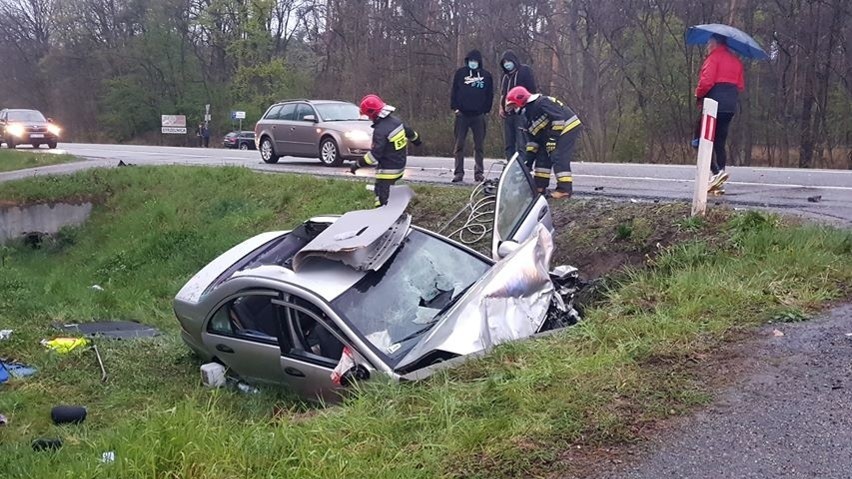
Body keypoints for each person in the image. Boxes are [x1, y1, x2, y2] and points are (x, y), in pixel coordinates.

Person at [505, 86, 581, 199]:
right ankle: (539, 187)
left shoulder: (541, 103)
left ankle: (564, 190)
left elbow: (558, 119)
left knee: (557, 155)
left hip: (567, 126)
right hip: (550, 134)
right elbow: (533, 141)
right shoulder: (527, 118)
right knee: (542, 157)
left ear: (521, 101)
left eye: (514, 105)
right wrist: (528, 161)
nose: (514, 109)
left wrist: (552, 139)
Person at [350, 94, 421, 207]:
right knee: (389, 195)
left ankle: (383, 216)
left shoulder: (380, 131)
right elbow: (411, 133)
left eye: (368, 115)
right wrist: (417, 141)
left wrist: (357, 164)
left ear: (372, 114)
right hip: (400, 167)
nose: (368, 118)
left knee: (382, 200)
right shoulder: (397, 122)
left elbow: (374, 156)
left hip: (387, 173)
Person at [695, 33, 744, 190]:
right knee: (720, 140)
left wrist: (698, 94)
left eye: (709, 43)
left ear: (715, 43)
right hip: (730, 106)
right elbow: (740, 85)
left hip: (713, 104)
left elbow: (706, 82)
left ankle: (715, 173)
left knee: (700, 140)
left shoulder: (713, 59)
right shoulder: (736, 61)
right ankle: (721, 173)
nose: (708, 47)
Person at [450, 49, 493, 183]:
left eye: (475, 61)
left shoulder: (486, 76)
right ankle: (458, 173)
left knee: (479, 146)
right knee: (459, 145)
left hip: (478, 116)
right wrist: (455, 108)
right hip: (462, 115)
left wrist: (486, 110)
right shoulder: (460, 73)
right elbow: (454, 91)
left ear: (479, 62)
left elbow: (490, 94)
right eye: (470, 61)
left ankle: (479, 173)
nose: (472, 63)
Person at [498, 50, 537, 160]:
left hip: (521, 112)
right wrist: (501, 107)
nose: (507, 64)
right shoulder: (505, 76)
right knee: (509, 143)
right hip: (508, 113)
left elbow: (532, 90)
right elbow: (503, 93)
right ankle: (510, 165)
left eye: (509, 61)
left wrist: (527, 107)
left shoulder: (524, 71)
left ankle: (522, 166)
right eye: (504, 62)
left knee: (522, 142)